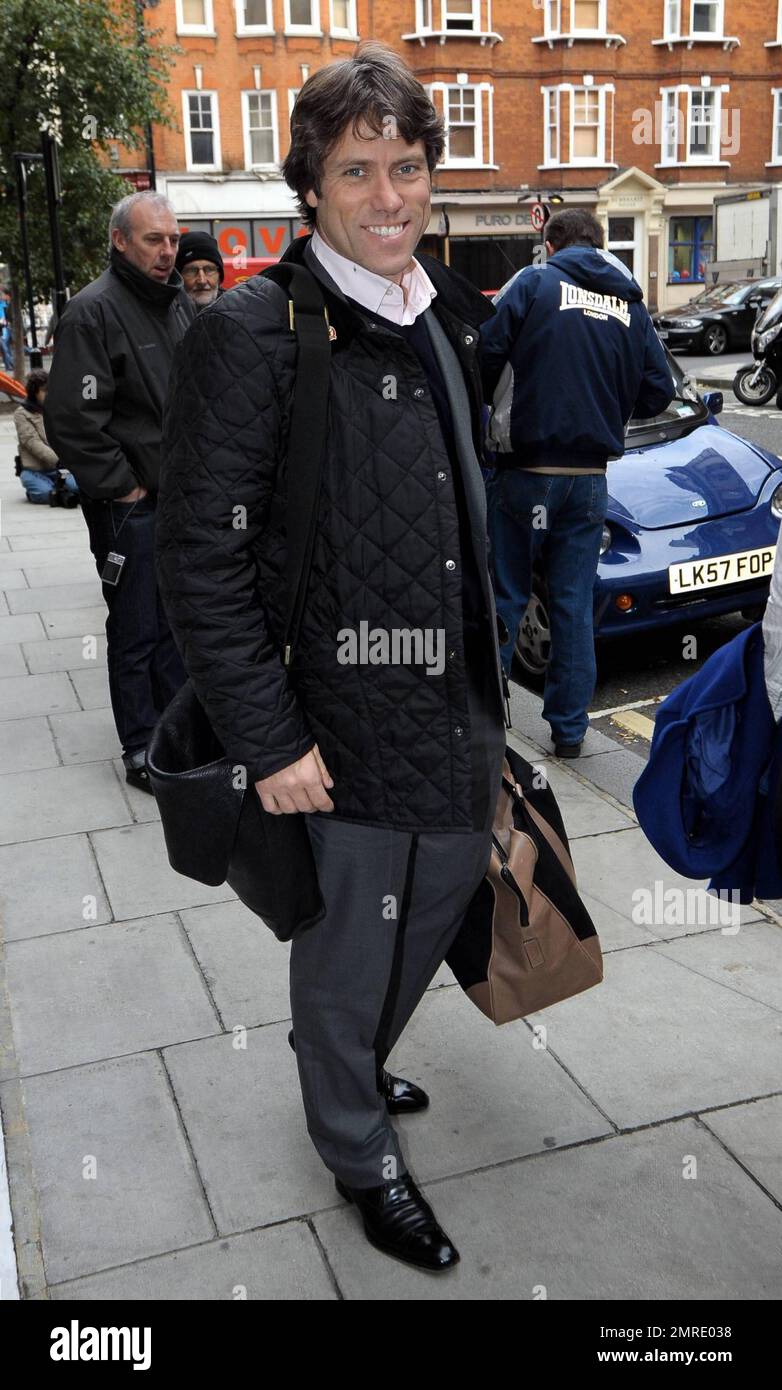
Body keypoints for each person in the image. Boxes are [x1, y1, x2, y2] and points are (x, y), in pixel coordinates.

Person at [156, 41, 509, 1272]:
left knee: (449, 893)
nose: (388, 197)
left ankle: (350, 1058)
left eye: (405, 166)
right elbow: (198, 560)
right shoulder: (251, 334)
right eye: (356, 171)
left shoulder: (443, 314)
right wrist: (268, 739)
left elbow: (466, 502)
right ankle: (356, 1146)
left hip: (451, 699)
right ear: (310, 185)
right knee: (351, 938)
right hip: (331, 717)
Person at [480, 208, 674, 758]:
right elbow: (657, 390)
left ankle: (487, 730)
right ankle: (568, 734)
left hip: (526, 471)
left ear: (550, 242)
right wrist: (605, 404)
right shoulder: (631, 303)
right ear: (601, 244)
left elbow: (485, 354)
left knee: (506, 597)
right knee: (572, 603)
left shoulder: (536, 284)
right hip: (590, 479)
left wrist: (496, 408)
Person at [43, 190, 195, 794]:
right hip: (130, 507)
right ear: (120, 241)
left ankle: (173, 737)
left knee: (177, 623)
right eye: (154, 240)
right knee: (136, 626)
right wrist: (124, 489)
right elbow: (73, 419)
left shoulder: (178, 302)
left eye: (174, 240)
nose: (167, 252)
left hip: (182, 497)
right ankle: (141, 746)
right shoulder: (92, 311)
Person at [14, 368, 79, 505]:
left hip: (61, 469)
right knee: (44, 493)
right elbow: (32, 442)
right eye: (45, 390)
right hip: (35, 470)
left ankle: (61, 491)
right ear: (34, 391)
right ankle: (54, 494)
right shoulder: (22, 414)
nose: (49, 394)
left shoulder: (57, 409)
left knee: (77, 487)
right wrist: (57, 460)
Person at [175, 231, 224, 311]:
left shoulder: (237, 313)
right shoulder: (166, 316)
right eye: (192, 271)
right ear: (178, 277)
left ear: (219, 276)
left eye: (209, 270)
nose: (202, 281)